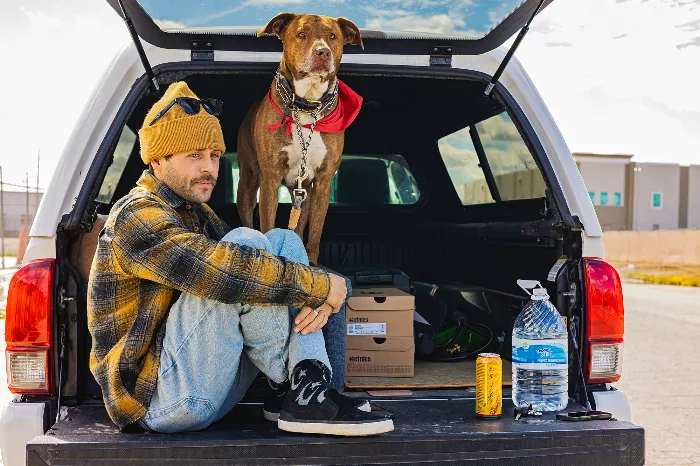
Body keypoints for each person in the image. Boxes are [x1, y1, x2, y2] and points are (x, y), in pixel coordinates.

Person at [87, 81, 394, 436]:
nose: (209, 168)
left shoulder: (196, 214)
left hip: (210, 386)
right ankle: (302, 387)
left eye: (214, 156)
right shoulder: (135, 214)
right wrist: (320, 287)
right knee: (246, 246)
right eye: (194, 155)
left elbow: (266, 266)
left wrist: (323, 295)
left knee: (281, 240)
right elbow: (223, 272)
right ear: (158, 159)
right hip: (159, 401)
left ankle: (306, 390)